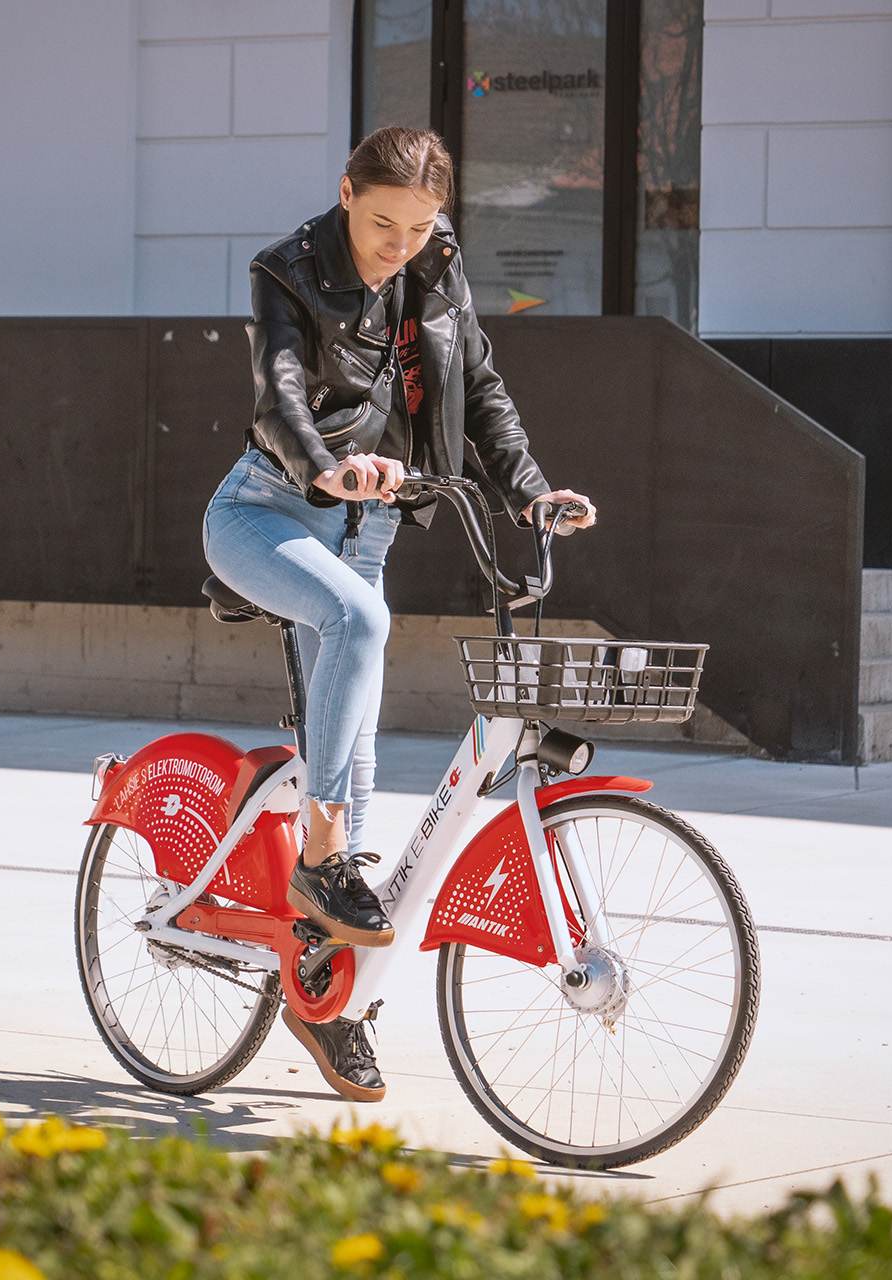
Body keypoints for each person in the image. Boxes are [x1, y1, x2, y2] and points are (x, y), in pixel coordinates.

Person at [202, 126, 597, 1103]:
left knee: (362, 751)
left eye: (417, 227)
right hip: (266, 508)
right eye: (382, 223)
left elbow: (483, 386)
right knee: (360, 629)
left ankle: (333, 1003)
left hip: (369, 524)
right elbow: (281, 388)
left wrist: (532, 491)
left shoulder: (437, 263)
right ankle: (320, 857)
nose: (398, 245)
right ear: (346, 195)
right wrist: (324, 464)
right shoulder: (286, 270)